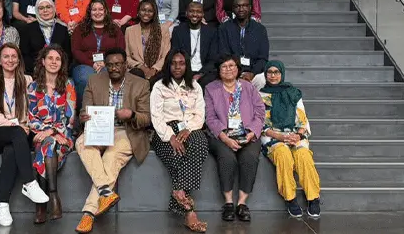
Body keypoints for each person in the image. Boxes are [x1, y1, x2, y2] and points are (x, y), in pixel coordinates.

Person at [74, 48, 152, 234]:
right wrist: (83, 116)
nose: (114, 68)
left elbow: (147, 119)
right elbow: (84, 110)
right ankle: (105, 192)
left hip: (127, 131)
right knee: (81, 143)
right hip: (99, 129)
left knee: (111, 158)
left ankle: (88, 214)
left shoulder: (141, 84)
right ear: (106, 66)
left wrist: (131, 114)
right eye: (110, 65)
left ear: (125, 65)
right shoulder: (94, 80)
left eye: (118, 64)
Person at [0, 44, 50, 226]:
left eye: (13, 56)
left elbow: (32, 109)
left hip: (20, 132)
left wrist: (20, 124)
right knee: (17, 134)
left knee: (12, 150)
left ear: (19, 60)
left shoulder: (26, 81)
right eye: (6, 57)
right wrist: (15, 123)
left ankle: (2, 204)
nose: (10, 60)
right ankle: (30, 182)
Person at [149, 50, 209, 232]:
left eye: (181, 63)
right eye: (173, 63)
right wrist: (171, 137)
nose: (177, 66)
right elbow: (156, 116)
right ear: (168, 65)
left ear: (187, 65)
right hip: (165, 130)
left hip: (190, 127)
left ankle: (178, 193)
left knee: (200, 145)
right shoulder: (159, 86)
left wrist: (188, 128)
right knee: (179, 155)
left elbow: (200, 113)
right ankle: (190, 211)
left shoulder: (194, 86)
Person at [204, 55, 265, 223]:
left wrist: (252, 132)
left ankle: (242, 203)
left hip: (247, 134)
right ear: (218, 70)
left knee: (250, 157)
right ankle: (229, 203)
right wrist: (224, 138)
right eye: (224, 66)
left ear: (238, 68)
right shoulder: (211, 89)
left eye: (231, 65)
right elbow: (210, 118)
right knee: (227, 158)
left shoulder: (248, 87)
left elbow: (260, 112)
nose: (228, 69)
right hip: (222, 135)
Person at [259, 60, 322, 219]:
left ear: (282, 73)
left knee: (303, 156)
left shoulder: (293, 92)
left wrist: (298, 135)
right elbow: (260, 124)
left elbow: (302, 118)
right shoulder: (260, 95)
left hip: (295, 134)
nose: (273, 76)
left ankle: (313, 197)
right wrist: (279, 136)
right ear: (265, 74)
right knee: (283, 154)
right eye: (270, 72)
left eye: (276, 72)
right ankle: (290, 198)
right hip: (273, 136)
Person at [27, 46, 78, 224]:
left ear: (62, 63)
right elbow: (31, 117)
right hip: (41, 134)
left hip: (64, 135)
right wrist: (48, 132)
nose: (54, 62)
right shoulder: (33, 87)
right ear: (43, 61)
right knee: (47, 144)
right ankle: (54, 196)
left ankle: (41, 205)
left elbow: (70, 118)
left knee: (46, 146)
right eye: (50, 58)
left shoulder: (68, 84)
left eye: (58, 59)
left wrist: (54, 132)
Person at [70, 0, 126, 103]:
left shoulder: (115, 29)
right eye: (94, 9)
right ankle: (84, 111)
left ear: (105, 11)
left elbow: (120, 50)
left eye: (100, 9)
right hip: (84, 64)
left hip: (109, 64)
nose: (97, 12)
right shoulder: (80, 29)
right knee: (85, 78)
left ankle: (105, 112)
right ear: (89, 12)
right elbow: (76, 50)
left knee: (108, 77)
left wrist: (106, 63)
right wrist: (92, 63)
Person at [216, 0, 269, 90]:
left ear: (250, 8)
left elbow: (263, 58)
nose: (241, 9)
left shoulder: (260, 29)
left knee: (263, 80)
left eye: (244, 5)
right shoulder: (224, 28)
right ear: (232, 9)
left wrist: (252, 73)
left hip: (254, 73)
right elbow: (223, 54)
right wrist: (237, 73)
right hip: (232, 71)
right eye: (237, 6)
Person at [17, 0, 71, 71]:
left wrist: (59, 69)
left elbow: (67, 55)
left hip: (58, 71)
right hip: (35, 71)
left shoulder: (62, 29)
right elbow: (24, 55)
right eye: (41, 8)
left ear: (54, 9)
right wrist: (37, 69)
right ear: (36, 11)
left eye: (48, 7)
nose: (45, 10)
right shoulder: (27, 29)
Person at [171, 2, 218, 88]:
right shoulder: (178, 31)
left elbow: (213, 59)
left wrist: (200, 74)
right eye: (191, 11)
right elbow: (175, 54)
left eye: (198, 11)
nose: (195, 14)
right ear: (186, 13)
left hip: (204, 71)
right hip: (183, 69)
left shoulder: (211, 32)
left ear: (203, 14)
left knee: (208, 81)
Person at [125, 0, 171, 83]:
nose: (146, 13)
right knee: (137, 74)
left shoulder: (163, 30)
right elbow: (127, 56)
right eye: (143, 10)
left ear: (154, 14)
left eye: (150, 11)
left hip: (157, 70)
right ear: (138, 12)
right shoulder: (129, 30)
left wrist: (154, 69)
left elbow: (166, 55)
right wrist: (140, 66)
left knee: (159, 78)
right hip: (137, 70)